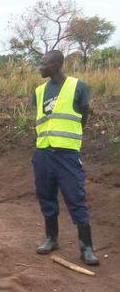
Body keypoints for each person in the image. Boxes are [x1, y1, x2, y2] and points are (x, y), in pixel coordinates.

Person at [32, 50, 99, 265]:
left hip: (67, 155)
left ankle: (86, 247)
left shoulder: (78, 86)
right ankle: (51, 238)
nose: (40, 67)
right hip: (43, 153)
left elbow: (83, 114)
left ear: (57, 64)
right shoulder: (39, 91)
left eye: (44, 64)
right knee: (46, 196)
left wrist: (72, 137)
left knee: (75, 198)